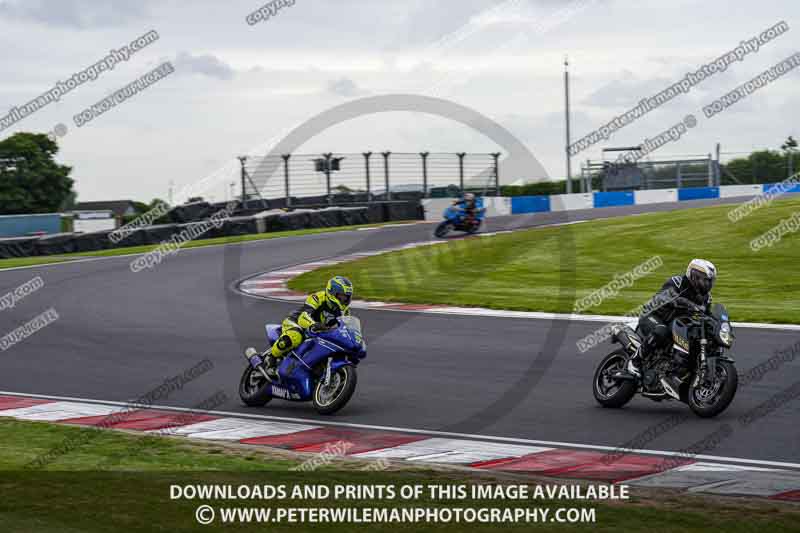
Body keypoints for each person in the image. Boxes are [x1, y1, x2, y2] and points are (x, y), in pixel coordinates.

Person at [621, 259, 717, 399]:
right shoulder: (678, 282)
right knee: (661, 330)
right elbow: (664, 296)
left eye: (710, 281)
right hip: (654, 315)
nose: (708, 284)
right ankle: (634, 361)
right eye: (705, 280)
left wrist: (716, 323)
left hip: (677, 324)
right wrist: (686, 303)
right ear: (694, 276)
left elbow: (708, 315)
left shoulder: (706, 298)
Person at [262, 275, 354, 378]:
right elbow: (303, 316)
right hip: (296, 322)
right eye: (342, 296)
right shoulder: (317, 297)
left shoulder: (345, 312)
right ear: (332, 292)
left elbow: (345, 328)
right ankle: (271, 358)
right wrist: (314, 324)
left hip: (319, 333)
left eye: (347, 297)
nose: (344, 300)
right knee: (295, 336)